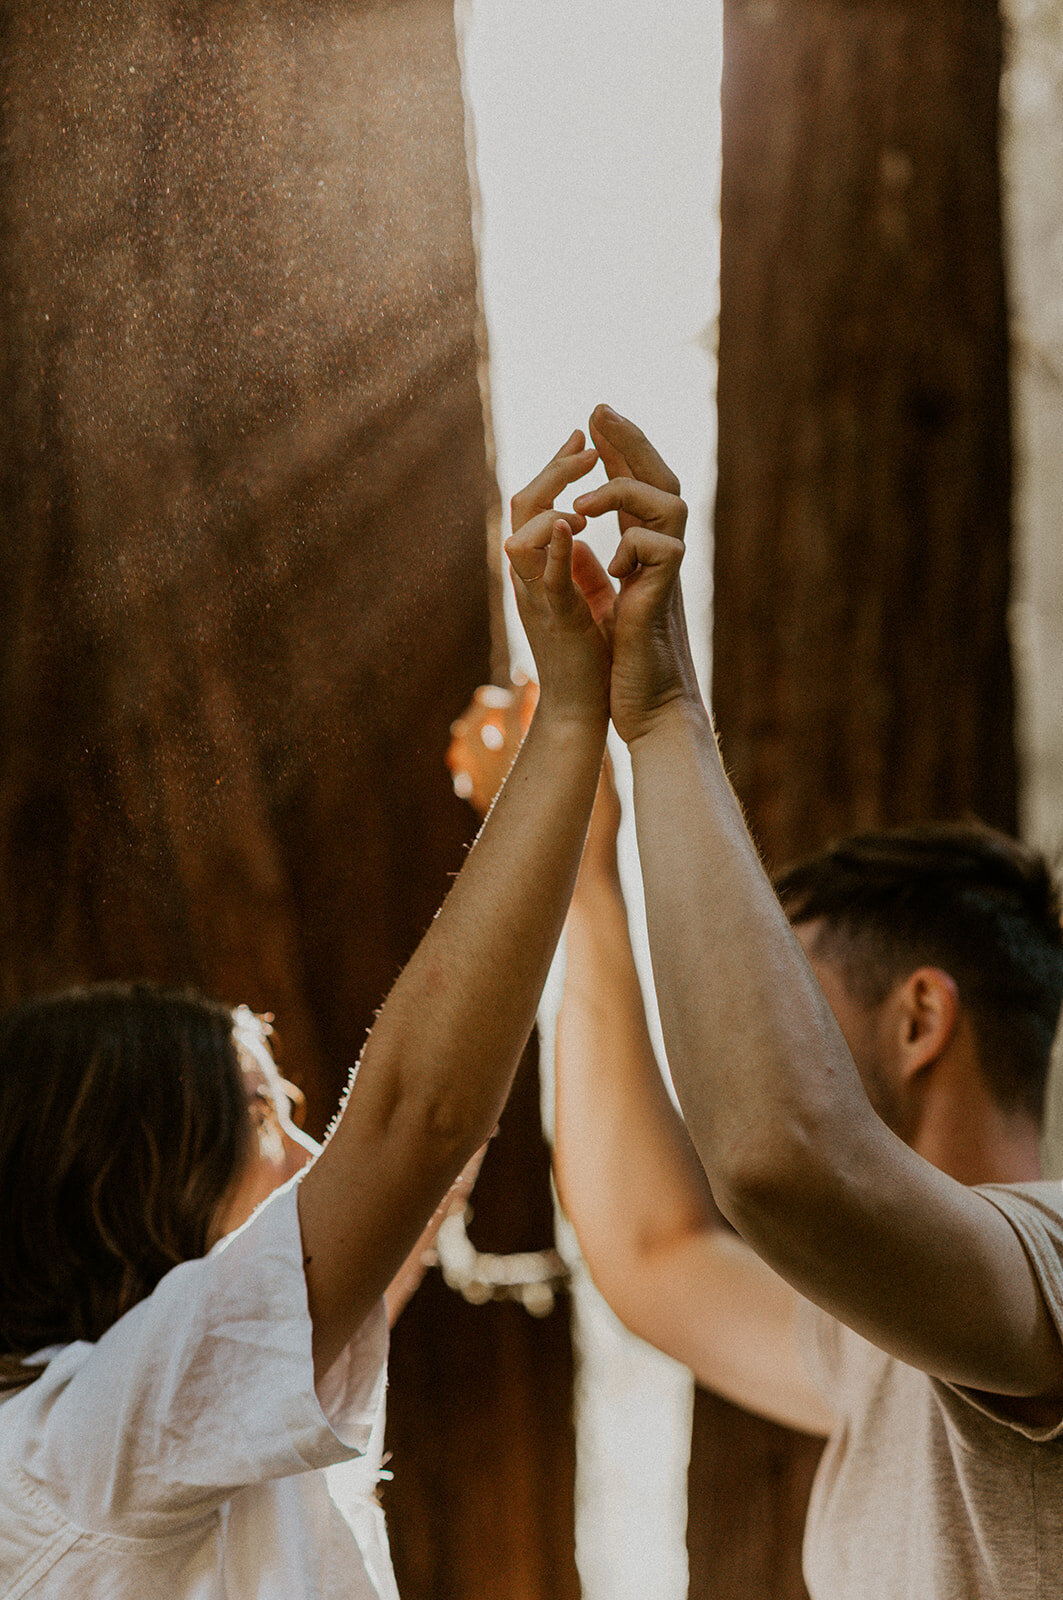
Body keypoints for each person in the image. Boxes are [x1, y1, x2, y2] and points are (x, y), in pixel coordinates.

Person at [452, 405, 1063, 1599]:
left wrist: (664, 713)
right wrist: (586, 887)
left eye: (793, 986)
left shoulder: (1048, 1262)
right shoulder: (886, 1341)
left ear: (921, 1018)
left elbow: (781, 1156)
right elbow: (649, 1247)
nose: (743, 1032)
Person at [0, 429, 613, 1600]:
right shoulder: (86, 1443)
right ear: (125, 1183)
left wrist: (545, 831)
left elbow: (426, 1165)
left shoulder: (176, 1408)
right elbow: (416, 1123)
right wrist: (573, 725)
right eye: (261, 1116)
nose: (312, 1149)